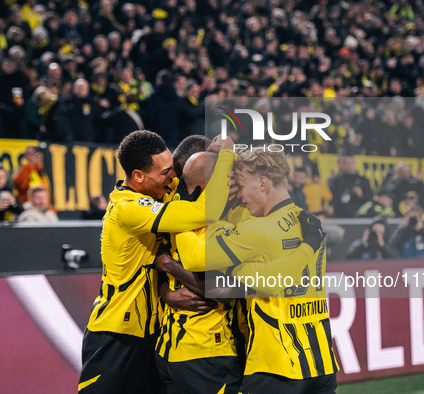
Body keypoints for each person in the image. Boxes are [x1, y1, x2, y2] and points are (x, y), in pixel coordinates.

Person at [78, 130, 235, 393]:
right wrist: (226, 155)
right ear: (138, 176)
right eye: (165, 172)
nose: (172, 177)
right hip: (117, 333)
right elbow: (203, 210)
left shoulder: (158, 192)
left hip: (153, 332)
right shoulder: (129, 209)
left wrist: (164, 291)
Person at [178, 149, 338, 393]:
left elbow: (194, 257)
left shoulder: (257, 230)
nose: (240, 195)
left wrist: (182, 215)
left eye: (241, 185)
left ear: (262, 182)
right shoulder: (310, 222)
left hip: (278, 365)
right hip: (321, 362)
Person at [154, 152, 242, 394]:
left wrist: (166, 285)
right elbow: (221, 290)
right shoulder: (223, 228)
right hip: (207, 352)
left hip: (169, 348)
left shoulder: (171, 218)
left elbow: (159, 264)